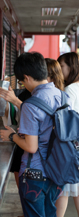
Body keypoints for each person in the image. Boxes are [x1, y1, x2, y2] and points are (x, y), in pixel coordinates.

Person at [0, 52, 65, 217]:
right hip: (58, 170)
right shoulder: (62, 96)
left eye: (21, 81)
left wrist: (12, 136)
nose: (22, 84)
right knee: (50, 213)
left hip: (35, 174)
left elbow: (31, 147)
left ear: (27, 77)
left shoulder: (30, 105)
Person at [56, 52, 79, 217]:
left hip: (71, 145)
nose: (59, 70)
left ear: (72, 67)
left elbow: (65, 119)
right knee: (75, 190)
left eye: (61, 66)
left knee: (63, 189)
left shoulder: (70, 89)